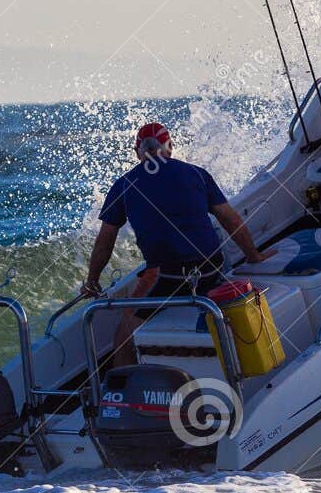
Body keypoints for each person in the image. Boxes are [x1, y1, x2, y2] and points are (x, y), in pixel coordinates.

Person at [84, 123, 273, 365]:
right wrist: (254, 256)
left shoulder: (124, 185)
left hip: (168, 278)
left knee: (123, 334)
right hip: (211, 270)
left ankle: (121, 389)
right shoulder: (196, 173)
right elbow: (230, 219)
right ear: (170, 147)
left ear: (137, 152)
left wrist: (92, 281)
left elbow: (105, 242)